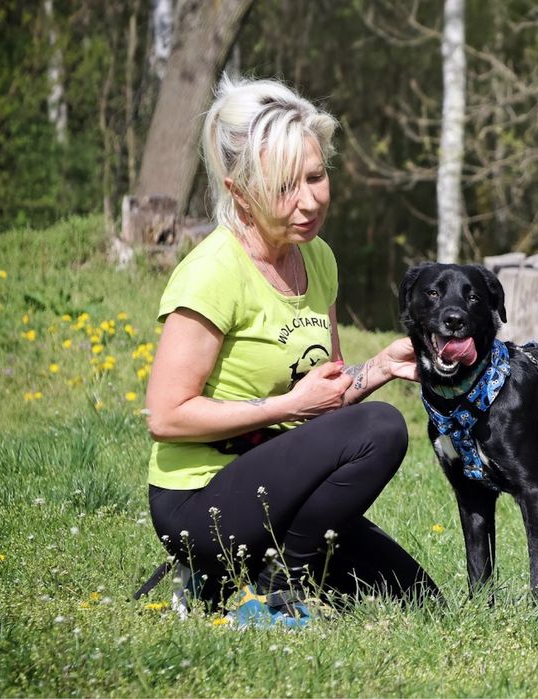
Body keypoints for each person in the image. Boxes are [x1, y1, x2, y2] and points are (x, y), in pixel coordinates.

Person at [144, 75, 438, 626]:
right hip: (200, 503)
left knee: (420, 601)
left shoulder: (317, 257)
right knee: (384, 428)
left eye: (316, 176)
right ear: (239, 193)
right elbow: (165, 416)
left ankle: (250, 573)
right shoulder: (212, 273)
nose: (308, 201)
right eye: (284, 186)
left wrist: (378, 368)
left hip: (281, 487)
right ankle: (272, 587)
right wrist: (286, 408)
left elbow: (322, 398)